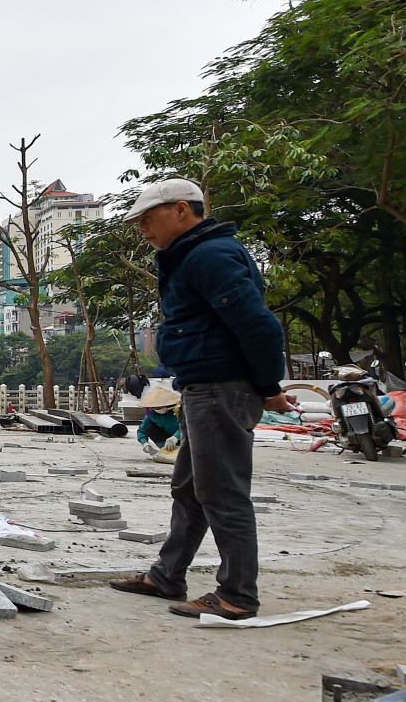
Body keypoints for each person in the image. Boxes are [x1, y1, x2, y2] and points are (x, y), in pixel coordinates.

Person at [110, 179, 298, 621]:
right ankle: (166, 574)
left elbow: (260, 326)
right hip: (205, 386)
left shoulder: (210, 255)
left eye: (147, 219)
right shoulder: (191, 256)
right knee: (190, 487)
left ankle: (236, 594)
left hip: (221, 387)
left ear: (181, 210)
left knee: (222, 491)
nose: (142, 229)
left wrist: (269, 387)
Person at [135, 385, 182, 459]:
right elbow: (141, 430)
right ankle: (166, 450)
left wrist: (176, 436)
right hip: (167, 440)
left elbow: (191, 426)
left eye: (159, 407)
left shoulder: (179, 409)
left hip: (185, 437)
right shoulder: (150, 411)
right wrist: (145, 443)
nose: (157, 409)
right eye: (154, 407)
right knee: (149, 427)